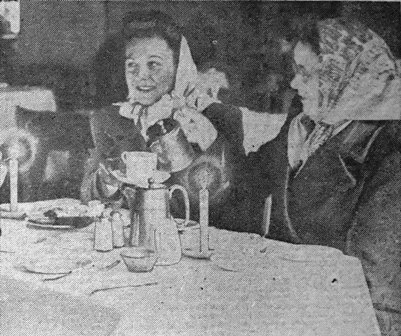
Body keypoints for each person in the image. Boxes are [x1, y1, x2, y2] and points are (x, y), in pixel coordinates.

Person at [256, 18, 400, 335]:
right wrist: (210, 140)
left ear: (348, 77)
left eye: (306, 73)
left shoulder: (391, 151)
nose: (294, 83)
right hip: (295, 303)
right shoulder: (309, 123)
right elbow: (252, 186)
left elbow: (375, 282)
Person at [80, 11, 247, 222]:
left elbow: (236, 206)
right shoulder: (109, 119)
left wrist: (212, 144)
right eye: (132, 65)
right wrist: (109, 177)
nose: (141, 76)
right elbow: (87, 194)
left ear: (179, 68)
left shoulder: (220, 117)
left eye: (153, 64)